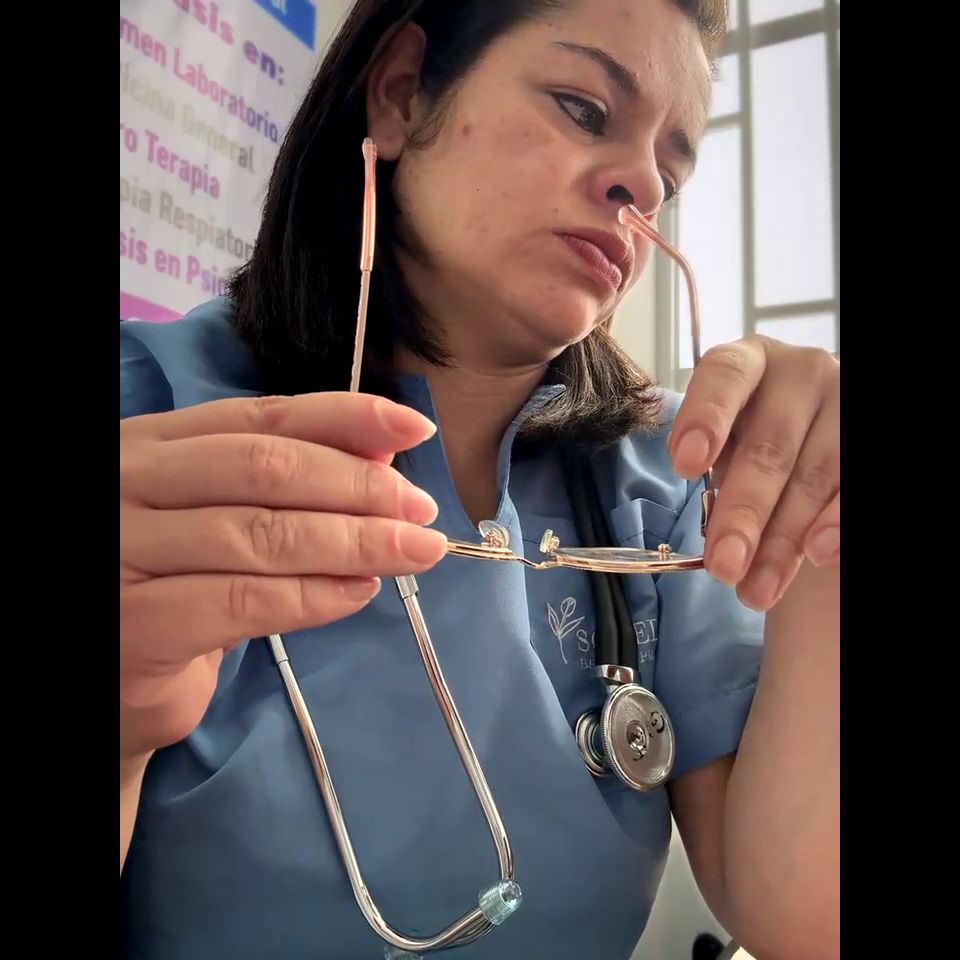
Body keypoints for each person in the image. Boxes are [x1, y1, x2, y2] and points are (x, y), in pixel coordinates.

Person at [119, 1, 840, 958]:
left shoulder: (674, 481)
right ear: (400, 94)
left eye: (669, 175)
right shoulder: (150, 416)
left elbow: (806, 921)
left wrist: (821, 532)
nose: (642, 185)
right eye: (584, 109)